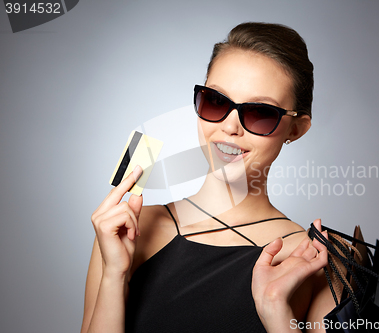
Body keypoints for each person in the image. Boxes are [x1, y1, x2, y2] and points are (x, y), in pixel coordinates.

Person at [81, 22, 336, 333]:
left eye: (259, 112)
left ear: (296, 129)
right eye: (216, 101)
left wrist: (276, 315)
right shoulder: (127, 231)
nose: (230, 127)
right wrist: (114, 276)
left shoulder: (312, 259)